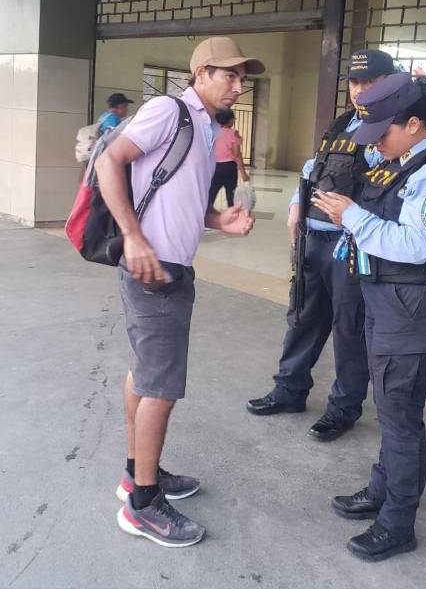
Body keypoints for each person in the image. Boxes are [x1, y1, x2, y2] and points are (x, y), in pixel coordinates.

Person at [94, 36, 261, 548]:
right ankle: (143, 504)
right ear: (201, 72)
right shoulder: (170, 110)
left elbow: (175, 194)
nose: (237, 85)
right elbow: (108, 161)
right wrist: (134, 237)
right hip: (153, 268)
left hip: (167, 264)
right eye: (228, 75)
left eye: (241, 77)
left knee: (145, 375)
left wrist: (217, 219)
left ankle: (138, 473)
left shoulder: (204, 126)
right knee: (162, 388)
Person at [311, 73, 426, 562]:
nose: (377, 142)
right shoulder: (409, 161)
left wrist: (352, 218)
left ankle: (398, 523)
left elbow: (416, 246)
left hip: (414, 310)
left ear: (416, 123)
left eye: (384, 132)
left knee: (401, 418)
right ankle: (382, 490)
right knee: (391, 410)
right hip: (393, 305)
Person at [245, 49, 394, 442]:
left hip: (351, 244)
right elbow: (314, 167)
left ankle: (343, 408)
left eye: (370, 82)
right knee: (303, 318)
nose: (360, 90)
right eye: (355, 82)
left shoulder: (391, 129)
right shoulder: (343, 123)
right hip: (313, 238)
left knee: (350, 329)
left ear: (389, 85)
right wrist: (296, 206)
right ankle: (289, 390)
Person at [209, 109, 249, 208]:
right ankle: (232, 215)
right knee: (231, 194)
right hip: (229, 168)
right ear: (230, 120)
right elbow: (236, 154)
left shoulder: (212, 132)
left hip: (214, 167)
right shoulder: (233, 133)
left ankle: (205, 216)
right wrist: (243, 173)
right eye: (234, 118)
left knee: (211, 193)